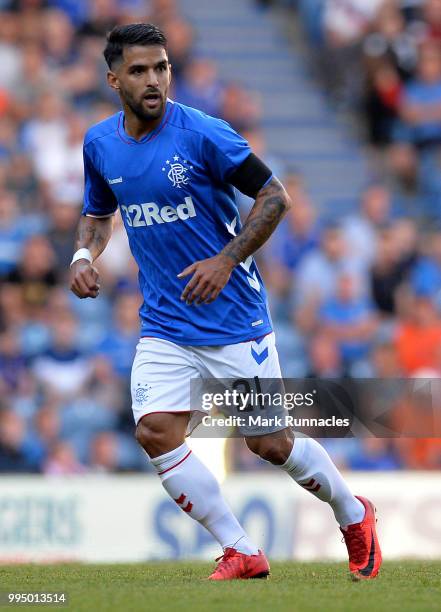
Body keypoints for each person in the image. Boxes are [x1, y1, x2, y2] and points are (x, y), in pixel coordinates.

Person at [69, 23, 381, 581]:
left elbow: (274, 197)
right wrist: (82, 258)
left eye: (161, 67)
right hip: (165, 323)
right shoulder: (100, 143)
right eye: (139, 70)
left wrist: (226, 259)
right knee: (154, 430)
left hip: (235, 320)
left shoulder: (204, 134)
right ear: (113, 78)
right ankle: (241, 549)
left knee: (269, 442)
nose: (154, 79)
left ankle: (353, 514)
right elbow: (97, 215)